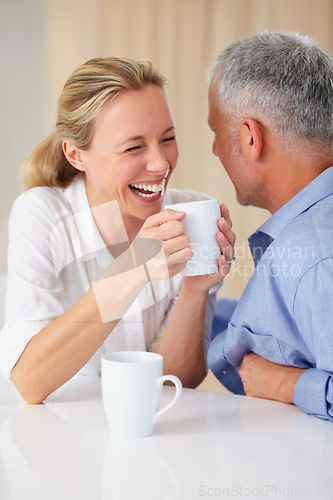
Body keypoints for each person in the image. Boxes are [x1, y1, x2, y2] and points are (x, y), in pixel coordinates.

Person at [0, 57, 235, 404]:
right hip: (56, 435)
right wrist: (133, 269)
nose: (160, 164)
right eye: (133, 147)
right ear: (77, 155)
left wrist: (195, 290)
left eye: (167, 138)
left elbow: (173, 383)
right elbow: (29, 381)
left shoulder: (193, 215)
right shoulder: (43, 216)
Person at [206, 31, 333, 421]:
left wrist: (286, 384)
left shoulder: (314, 255)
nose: (213, 149)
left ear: (249, 138)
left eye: (216, 132)